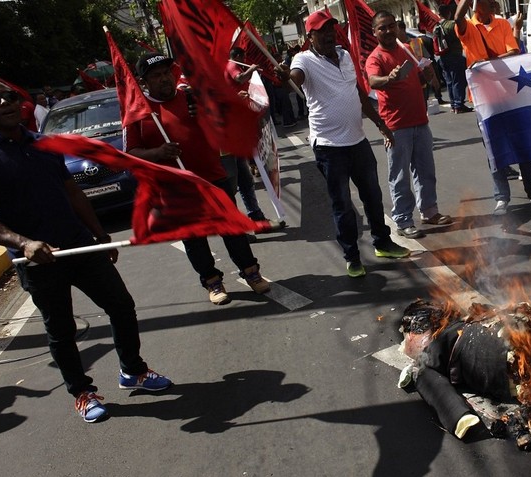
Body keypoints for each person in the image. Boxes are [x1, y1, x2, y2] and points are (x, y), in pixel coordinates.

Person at [0, 80, 172, 423]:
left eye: (9, 96)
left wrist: (99, 234)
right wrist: (24, 243)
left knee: (121, 305)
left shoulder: (43, 143)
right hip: (37, 260)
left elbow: (72, 193)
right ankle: (82, 392)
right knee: (61, 329)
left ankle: (133, 370)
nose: (5, 103)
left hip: (79, 244)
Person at [124, 53, 271, 305]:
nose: (164, 79)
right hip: (176, 188)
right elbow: (130, 155)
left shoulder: (192, 97)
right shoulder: (138, 112)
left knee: (232, 229)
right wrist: (157, 153)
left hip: (213, 177)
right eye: (156, 76)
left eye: (167, 73)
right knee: (194, 239)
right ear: (144, 82)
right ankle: (212, 281)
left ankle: (251, 273)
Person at [277, 10, 410, 278]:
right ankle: (352, 256)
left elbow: (358, 93)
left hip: (357, 141)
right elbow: (295, 78)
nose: (328, 35)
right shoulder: (303, 59)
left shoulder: (345, 56)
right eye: (321, 31)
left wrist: (379, 123)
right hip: (329, 147)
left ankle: (382, 243)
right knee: (343, 205)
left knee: (373, 196)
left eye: (331, 29)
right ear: (310, 36)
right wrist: (284, 78)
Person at [454, 0, 531, 215]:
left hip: (510, 93)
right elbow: (457, 19)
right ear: (476, 4)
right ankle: (501, 197)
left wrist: (484, 64)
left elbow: (513, 51)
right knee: (494, 148)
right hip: (484, 98)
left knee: (522, 143)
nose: (492, 3)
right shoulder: (469, 27)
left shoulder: (502, 24)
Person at [366, 11, 454, 240]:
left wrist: (427, 74)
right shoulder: (375, 58)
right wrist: (390, 78)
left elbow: (422, 79)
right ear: (374, 33)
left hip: (420, 121)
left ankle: (429, 211)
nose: (387, 31)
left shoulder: (408, 49)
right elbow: (373, 81)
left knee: (426, 171)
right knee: (400, 177)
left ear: (397, 27)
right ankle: (404, 220)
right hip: (396, 126)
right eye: (381, 28)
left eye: (390, 26)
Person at [224, 47, 271, 230]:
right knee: (230, 187)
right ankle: (236, 229)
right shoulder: (230, 67)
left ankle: (256, 217)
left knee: (245, 180)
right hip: (223, 143)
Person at [436, 2, 472, 114]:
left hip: (442, 57)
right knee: (458, 80)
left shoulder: (436, 26)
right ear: (449, 13)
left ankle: (453, 104)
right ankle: (459, 104)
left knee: (449, 81)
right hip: (454, 55)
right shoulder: (451, 25)